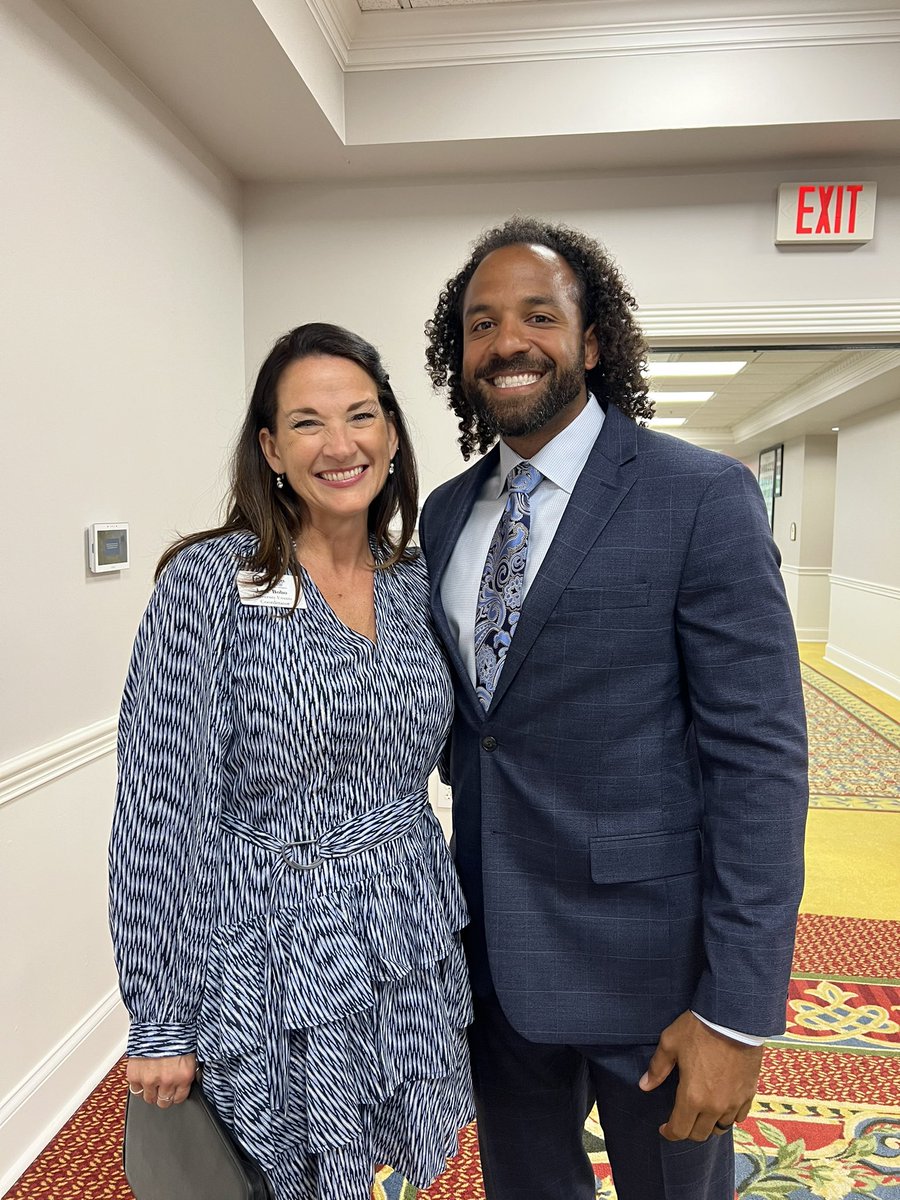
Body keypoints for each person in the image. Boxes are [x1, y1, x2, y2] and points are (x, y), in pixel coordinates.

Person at [418, 217, 808, 1200]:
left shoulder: (700, 497)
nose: (508, 341)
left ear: (592, 343)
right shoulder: (446, 512)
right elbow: (481, 732)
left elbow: (759, 766)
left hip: (656, 980)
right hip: (492, 970)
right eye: (481, 322)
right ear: (458, 352)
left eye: (539, 316)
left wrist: (736, 1012)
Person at [109, 323, 474, 1200]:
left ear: (391, 431)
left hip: (401, 927)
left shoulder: (417, 579)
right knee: (274, 1172)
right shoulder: (207, 582)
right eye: (307, 423)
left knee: (369, 1159)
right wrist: (158, 1018)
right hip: (268, 937)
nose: (340, 444)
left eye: (361, 415)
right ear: (270, 448)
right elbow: (160, 810)